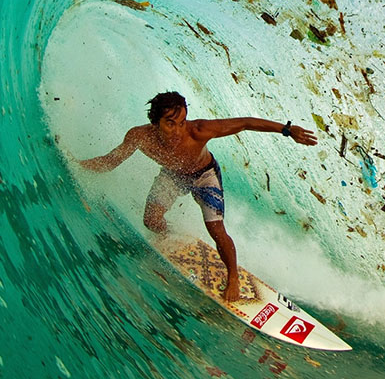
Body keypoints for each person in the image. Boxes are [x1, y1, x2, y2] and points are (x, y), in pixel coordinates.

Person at [74, 91, 318, 302]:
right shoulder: (139, 137)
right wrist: (74, 164)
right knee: (151, 221)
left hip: (204, 177)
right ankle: (172, 237)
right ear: (155, 121)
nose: (178, 130)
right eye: (170, 123)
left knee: (216, 230)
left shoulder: (199, 131)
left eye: (181, 122)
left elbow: (244, 123)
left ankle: (233, 276)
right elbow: (110, 161)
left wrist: (287, 130)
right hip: (173, 175)